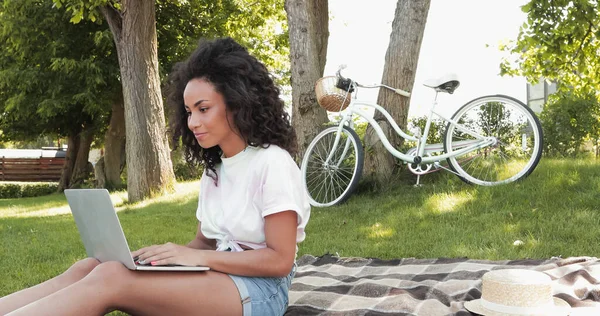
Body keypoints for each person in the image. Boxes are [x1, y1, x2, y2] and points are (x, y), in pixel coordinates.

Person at [0, 37, 311, 316]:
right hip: (221, 277)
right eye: (189, 111)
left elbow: (279, 261)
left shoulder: (273, 163)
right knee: (95, 266)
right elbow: (205, 241)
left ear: (237, 102)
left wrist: (192, 258)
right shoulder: (216, 168)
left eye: (203, 109)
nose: (193, 122)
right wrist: (163, 258)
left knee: (111, 279)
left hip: (262, 291)